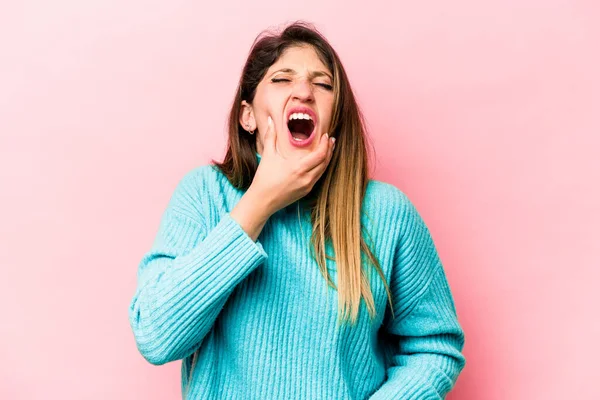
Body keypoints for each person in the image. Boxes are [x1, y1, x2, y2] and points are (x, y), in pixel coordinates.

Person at [128, 21, 466, 399]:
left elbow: (434, 348)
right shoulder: (204, 195)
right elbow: (156, 336)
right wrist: (259, 203)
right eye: (282, 80)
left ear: (334, 118)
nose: (304, 91)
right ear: (248, 117)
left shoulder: (386, 213)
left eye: (322, 84)